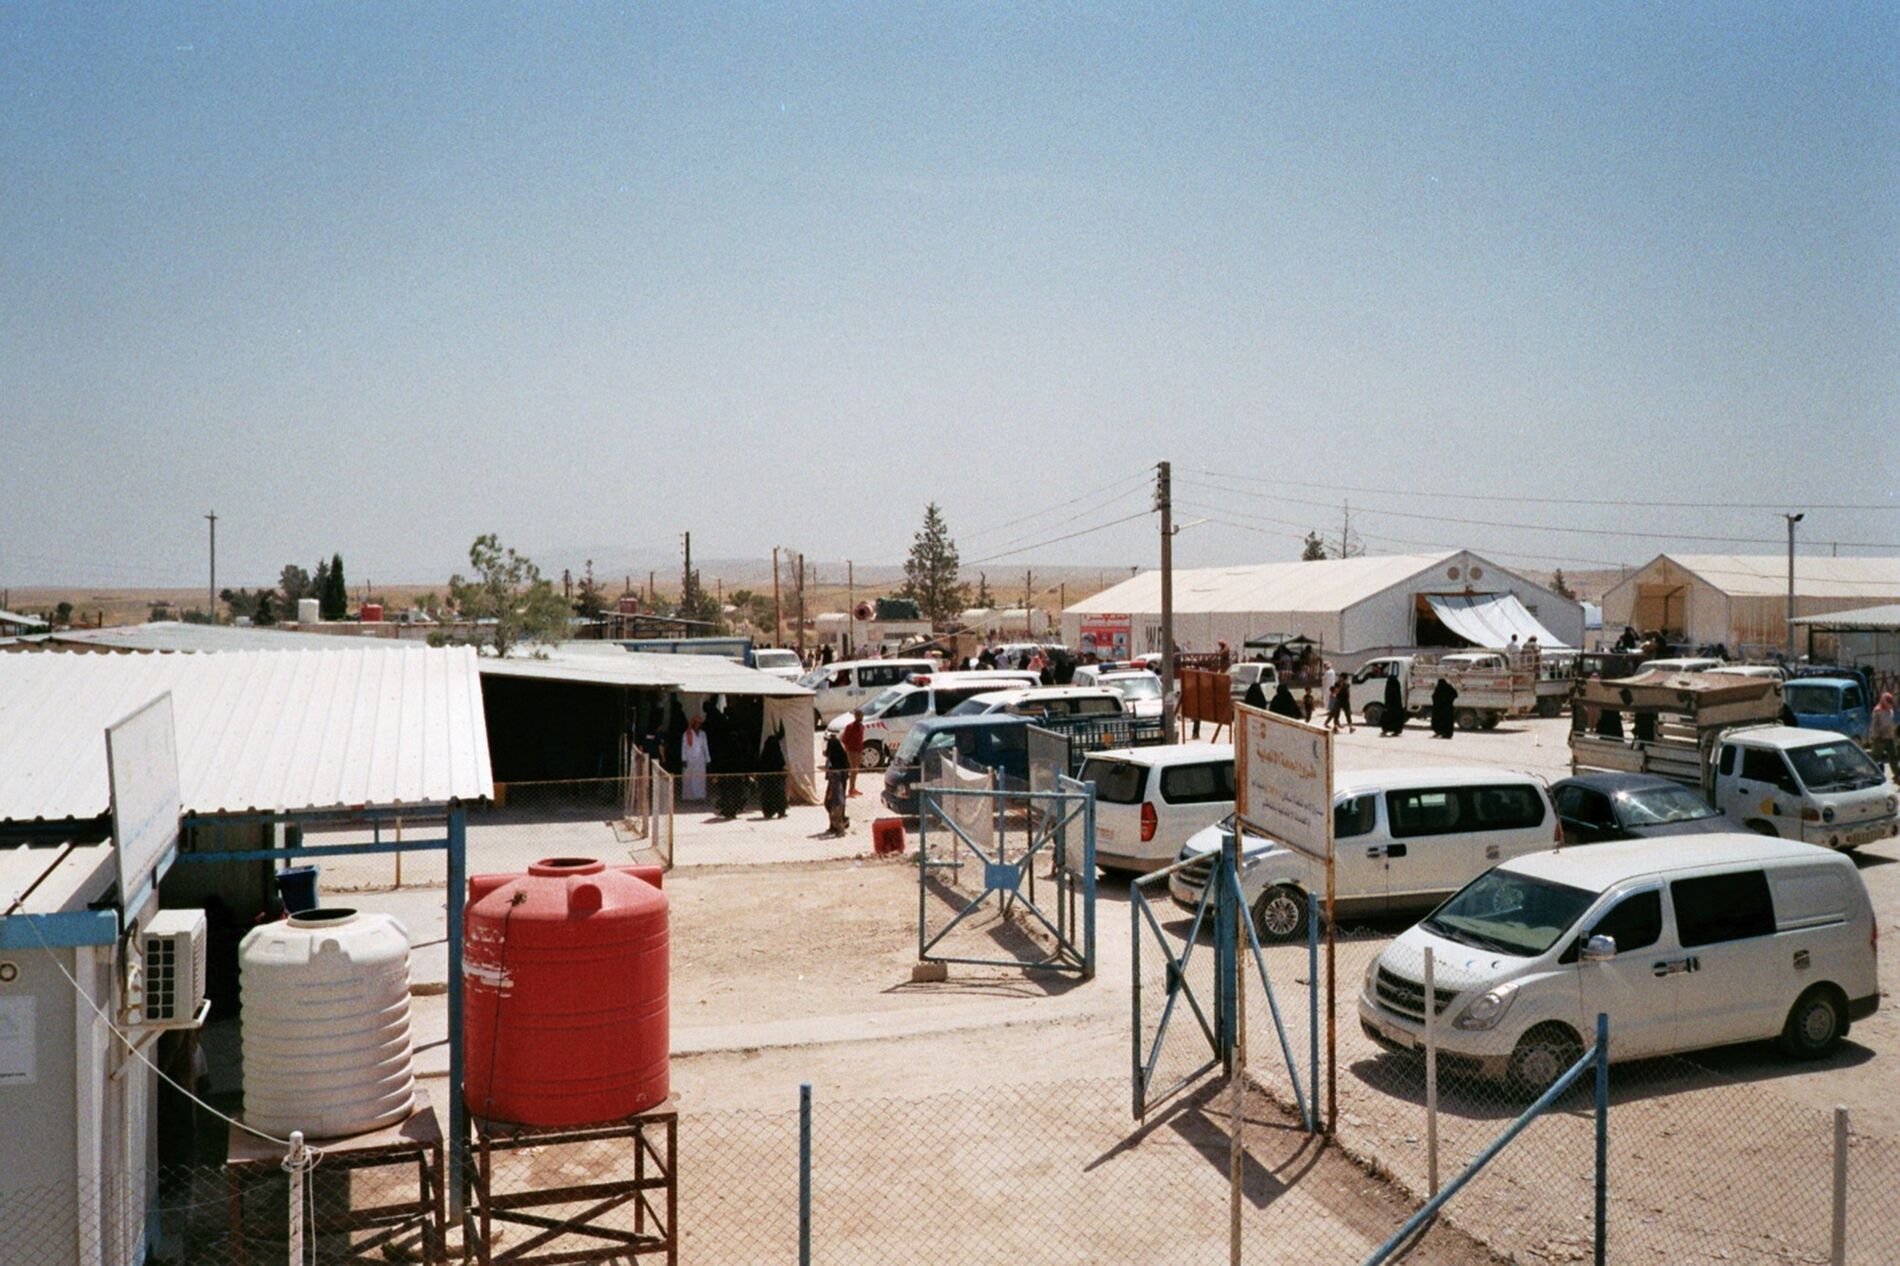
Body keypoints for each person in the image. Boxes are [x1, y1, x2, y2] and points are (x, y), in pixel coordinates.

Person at [823, 732, 852, 836]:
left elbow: (835, 779)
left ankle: (840, 828)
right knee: (831, 804)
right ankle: (835, 825)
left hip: (837, 783)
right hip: (835, 782)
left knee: (836, 805)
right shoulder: (836, 758)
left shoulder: (837, 761)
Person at [757, 726, 789, 819]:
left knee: (767, 795)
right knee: (779, 794)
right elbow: (781, 762)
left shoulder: (765, 754)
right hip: (777, 778)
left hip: (767, 779)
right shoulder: (777, 752)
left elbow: (761, 765)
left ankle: (768, 812)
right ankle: (781, 811)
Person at [680, 714, 710, 801]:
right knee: (689, 777)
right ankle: (689, 796)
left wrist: (708, 759)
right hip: (689, 759)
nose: (698, 725)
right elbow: (684, 747)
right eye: (697, 723)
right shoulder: (686, 734)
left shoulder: (703, 734)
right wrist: (684, 759)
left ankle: (700, 796)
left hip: (700, 759)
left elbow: (705, 747)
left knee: (700, 777)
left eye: (700, 723)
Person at [1872, 693, 1897, 782]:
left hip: (1889, 737)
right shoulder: (1877, 711)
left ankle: (1897, 775)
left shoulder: (1890, 710)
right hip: (1880, 739)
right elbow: (1874, 726)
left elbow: (1891, 723)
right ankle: (1873, 775)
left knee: (1893, 757)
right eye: (1888, 701)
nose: (1890, 704)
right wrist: (1877, 737)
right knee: (1876, 758)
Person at [842, 709, 866, 797]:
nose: (860, 717)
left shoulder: (861, 727)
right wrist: (848, 749)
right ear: (855, 716)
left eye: (861, 715)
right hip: (852, 751)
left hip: (859, 750)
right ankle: (851, 790)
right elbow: (844, 739)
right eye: (858, 715)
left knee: (856, 771)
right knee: (853, 770)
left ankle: (853, 788)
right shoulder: (850, 727)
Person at [1380, 672, 1406, 736]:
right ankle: (1396, 730)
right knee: (1395, 719)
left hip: (1389, 706)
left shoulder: (1389, 685)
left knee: (1387, 718)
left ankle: (1385, 730)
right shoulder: (1396, 685)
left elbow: (1388, 696)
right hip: (1396, 706)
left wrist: (1386, 705)